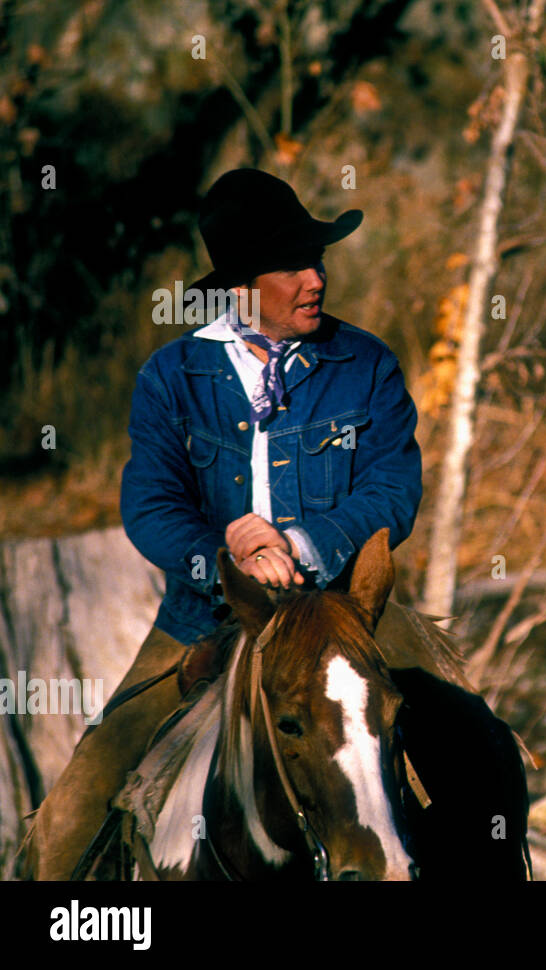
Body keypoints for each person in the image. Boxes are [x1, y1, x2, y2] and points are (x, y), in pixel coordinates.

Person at [27, 169, 442, 879]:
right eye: (293, 267)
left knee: (475, 750)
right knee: (69, 815)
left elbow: (393, 485)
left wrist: (305, 546)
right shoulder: (170, 377)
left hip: (346, 614)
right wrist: (227, 552)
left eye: (318, 261)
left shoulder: (365, 364)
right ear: (241, 287)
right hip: (205, 618)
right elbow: (152, 505)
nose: (316, 280)